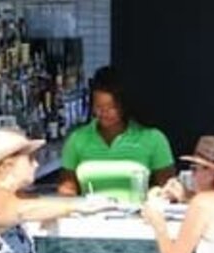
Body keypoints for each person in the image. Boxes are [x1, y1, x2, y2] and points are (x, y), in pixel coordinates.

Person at [56, 68, 175, 196]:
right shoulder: (77, 139)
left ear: (124, 105)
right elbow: (67, 189)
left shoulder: (153, 138)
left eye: (112, 107)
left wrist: (155, 194)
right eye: (99, 107)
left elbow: (168, 188)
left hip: (138, 214)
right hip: (90, 214)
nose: (104, 113)